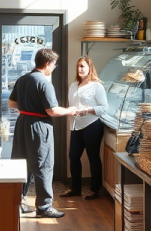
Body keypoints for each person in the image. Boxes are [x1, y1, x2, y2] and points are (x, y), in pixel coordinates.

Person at [8, 48, 77, 219]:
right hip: (39, 126)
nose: (54, 67)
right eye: (54, 64)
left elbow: (11, 103)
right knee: (43, 164)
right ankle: (44, 207)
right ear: (47, 63)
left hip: (22, 124)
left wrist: (27, 108)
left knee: (21, 163)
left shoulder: (22, 79)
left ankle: (18, 202)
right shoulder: (44, 83)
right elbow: (52, 110)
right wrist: (70, 111)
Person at [60, 56, 108, 200]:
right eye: (78, 66)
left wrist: (87, 110)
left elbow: (104, 108)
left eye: (83, 66)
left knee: (93, 157)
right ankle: (75, 189)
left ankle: (95, 190)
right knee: (73, 156)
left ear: (90, 68)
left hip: (91, 125)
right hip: (76, 125)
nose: (80, 69)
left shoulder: (97, 86)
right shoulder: (73, 85)